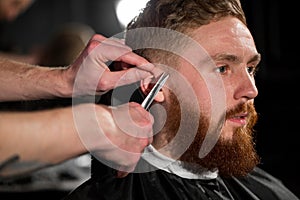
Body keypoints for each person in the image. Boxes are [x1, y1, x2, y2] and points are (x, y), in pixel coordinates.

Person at [63, 0, 299, 199]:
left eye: (250, 69)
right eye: (222, 69)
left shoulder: (270, 191)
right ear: (153, 84)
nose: (251, 90)